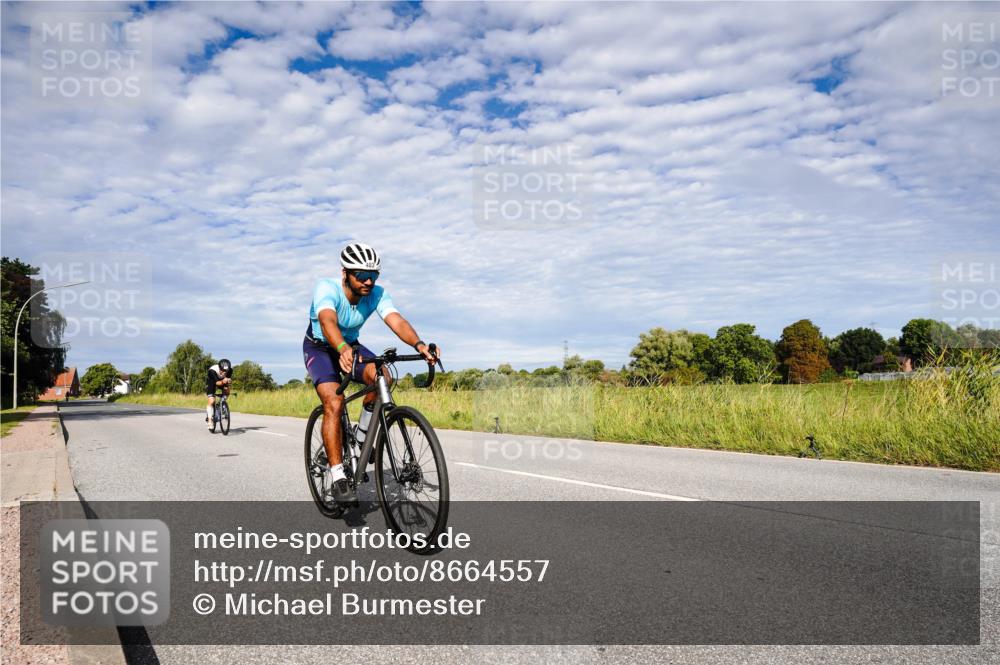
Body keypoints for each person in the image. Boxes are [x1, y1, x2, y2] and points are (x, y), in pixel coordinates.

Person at [303, 242, 438, 507]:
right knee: (334, 402)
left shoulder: (376, 293)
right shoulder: (326, 288)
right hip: (320, 347)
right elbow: (328, 321)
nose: (368, 281)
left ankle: (361, 438)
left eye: (373, 275)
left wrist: (420, 345)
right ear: (345, 273)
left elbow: (396, 320)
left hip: (350, 345)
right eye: (362, 275)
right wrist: (341, 348)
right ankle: (338, 476)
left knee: (382, 376)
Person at [205, 358, 232, 430]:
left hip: (222, 381)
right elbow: (217, 383)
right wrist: (223, 381)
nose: (224, 373)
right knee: (212, 401)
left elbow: (227, 381)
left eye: (226, 371)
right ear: (219, 368)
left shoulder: (230, 370)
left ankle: (221, 404)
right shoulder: (212, 371)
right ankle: (210, 421)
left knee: (227, 391)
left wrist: (228, 382)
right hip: (212, 381)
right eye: (222, 371)